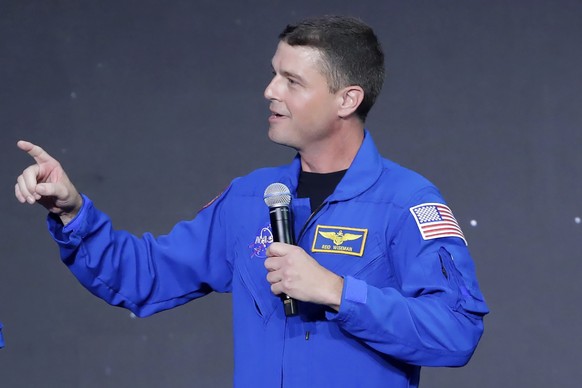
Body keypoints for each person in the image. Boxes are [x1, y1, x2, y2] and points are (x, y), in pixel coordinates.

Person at [14, 15, 488, 388]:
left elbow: (456, 332)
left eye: (292, 81)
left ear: (347, 100)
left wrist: (338, 292)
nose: (270, 91)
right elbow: (144, 276)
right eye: (273, 75)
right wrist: (72, 212)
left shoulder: (406, 203)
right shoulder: (249, 198)